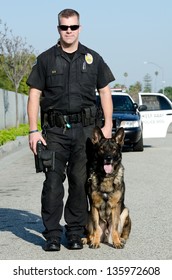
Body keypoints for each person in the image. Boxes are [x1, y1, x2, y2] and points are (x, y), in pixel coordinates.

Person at [27, 8, 115, 251]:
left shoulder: (93, 58)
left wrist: (107, 125)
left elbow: (105, 91)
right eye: (64, 27)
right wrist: (33, 130)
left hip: (85, 132)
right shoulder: (46, 59)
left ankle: (74, 232)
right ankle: (52, 235)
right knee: (53, 183)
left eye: (73, 27)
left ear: (79, 28)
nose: (69, 31)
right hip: (55, 132)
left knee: (79, 182)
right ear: (58, 29)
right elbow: (34, 95)